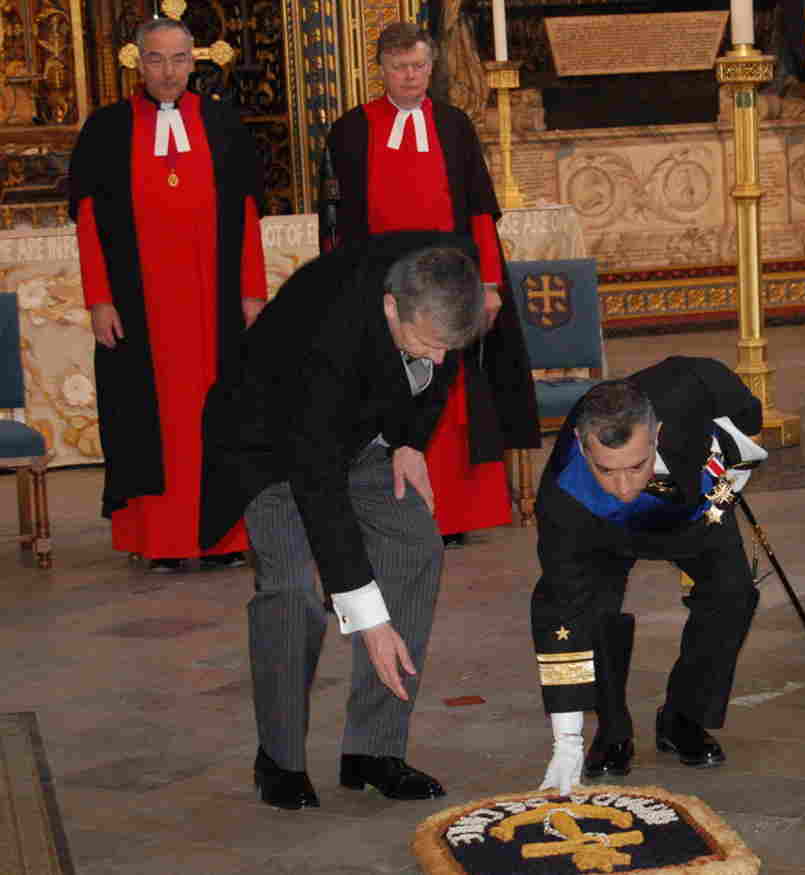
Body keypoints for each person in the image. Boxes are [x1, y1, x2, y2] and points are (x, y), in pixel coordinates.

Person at [198, 232, 489, 809]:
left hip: (364, 431)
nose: (437, 357)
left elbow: (441, 361)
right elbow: (318, 483)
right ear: (390, 307)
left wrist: (411, 442)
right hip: (272, 449)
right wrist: (367, 617)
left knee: (416, 549)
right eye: (427, 342)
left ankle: (373, 751)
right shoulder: (324, 341)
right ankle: (278, 760)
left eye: (445, 345)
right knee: (294, 594)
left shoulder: (442, 275)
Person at [320, 22, 538, 549]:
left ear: (431, 66)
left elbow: (481, 214)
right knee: (390, 390)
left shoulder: (455, 125)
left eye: (419, 66)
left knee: (454, 395)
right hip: (383, 287)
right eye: (399, 68)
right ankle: (390, 510)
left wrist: (489, 285)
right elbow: (333, 221)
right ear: (381, 69)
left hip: (452, 284)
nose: (411, 76)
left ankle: (456, 512)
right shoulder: (351, 130)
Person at [69, 17, 266, 574]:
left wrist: (252, 291)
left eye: (179, 59)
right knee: (145, 422)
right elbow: (88, 224)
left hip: (216, 306)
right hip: (140, 309)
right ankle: (158, 538)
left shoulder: (223, 124)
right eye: (156, 59)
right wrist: (99, 299)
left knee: (221, 415)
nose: (168, 71)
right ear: (137, 60)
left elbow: (248, 216)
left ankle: (225, 536)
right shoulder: (107, 129)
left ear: (194, 61)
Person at [531, 357, 766, 795]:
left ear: (657, 434)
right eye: (606, 469)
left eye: (635, 466)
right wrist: (567, 742)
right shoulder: (564, 501)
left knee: (732, 594)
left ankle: (684, 718)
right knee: (595, 612)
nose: (623, 486)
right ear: (584, 450)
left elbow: (742, 411)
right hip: (601, 529)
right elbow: (563, 620)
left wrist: (726, 485)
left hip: (692, 508)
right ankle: (613, 732)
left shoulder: (688, 386)